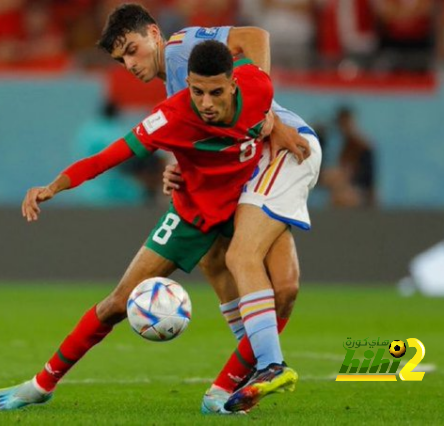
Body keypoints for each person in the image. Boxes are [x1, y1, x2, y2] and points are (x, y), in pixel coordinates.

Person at [0, 40, 292, 412]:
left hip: (248, 206)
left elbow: (248, 43)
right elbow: (107, 157)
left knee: (285, 292)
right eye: (196, 92)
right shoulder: (172, 117)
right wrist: (55, 185)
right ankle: (41, 384)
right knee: (117, 302)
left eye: (215, 92)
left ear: (233, 85)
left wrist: (277, 125)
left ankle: (220, 395)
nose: (206, 103)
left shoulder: (259, 86)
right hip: (191, 214)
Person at [97, 4, 320, 413]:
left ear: (153, 34)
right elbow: (198, 139)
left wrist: (266, 112)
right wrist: (176, 170)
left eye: (132, 50)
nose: (130, 63)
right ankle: (245, 373)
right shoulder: (175, 94)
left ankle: (265, 365)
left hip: (277, 153)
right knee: (258, 275)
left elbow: (255, 37)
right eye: (121, 58)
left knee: (240, 257)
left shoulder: (184, 48)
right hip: (250, 165)